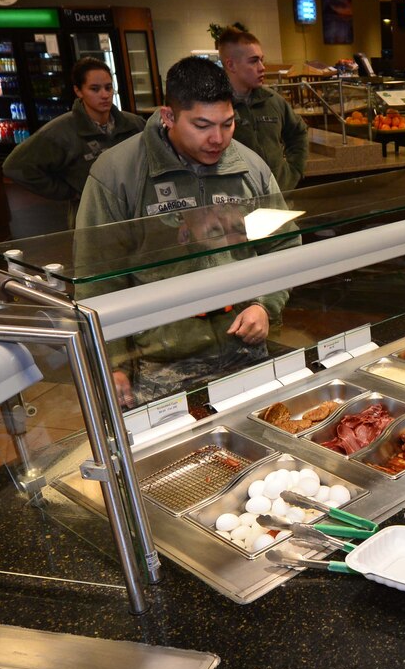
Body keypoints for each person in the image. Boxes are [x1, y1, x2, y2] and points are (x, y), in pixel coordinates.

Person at [76, 56, 289, 409]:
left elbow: (283, 245)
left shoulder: (250, 167)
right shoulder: (118, 174)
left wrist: (265, 305)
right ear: (169, 116)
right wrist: (112, 362)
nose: (218, 139)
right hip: (161, 362)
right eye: (202, 125)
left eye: (227, 123)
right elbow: (96, 276)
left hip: (245, 348)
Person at [1, 57, 144, 225]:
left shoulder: (134, 124)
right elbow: (14, 166)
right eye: (94, 89)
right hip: (91, 216)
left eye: (108, 87)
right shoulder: (61, 131)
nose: (104, 95)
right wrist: (69, 192)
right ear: (78, 91)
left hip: (136, 211)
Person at [216, 27, 310, 192]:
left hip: (280, 200)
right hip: (238, 203)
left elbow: (298, 132)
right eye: (253, 61)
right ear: (231, 65)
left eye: (261, 60)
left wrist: (293, 171)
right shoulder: (214, 105)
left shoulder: (272, 100)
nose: (262, 67)